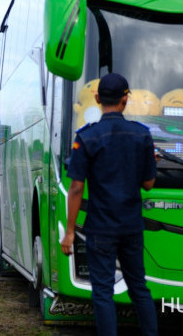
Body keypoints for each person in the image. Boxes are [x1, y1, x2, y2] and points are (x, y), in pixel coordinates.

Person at [59, 73, 158, 336]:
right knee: (138, 286)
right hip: (131, 227)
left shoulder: (87, 137)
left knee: (102, 290)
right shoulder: (142, 135)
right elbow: (148, 184)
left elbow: (77, 186)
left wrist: (70, 232)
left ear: (97, 98)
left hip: (100, 227)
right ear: (126, 99)